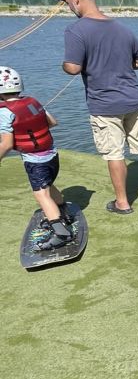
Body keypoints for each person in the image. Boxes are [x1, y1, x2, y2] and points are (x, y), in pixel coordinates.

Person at [59, 0, 138, 213]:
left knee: (114, 153)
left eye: (67, 3)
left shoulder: (75, 30)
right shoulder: (122, 28)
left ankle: (122, 203)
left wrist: (66, 65)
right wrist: (119, 64)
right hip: (133, 100)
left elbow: (72, 67)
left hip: (105, 104)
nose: (67, 7)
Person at [0, 66, 74, 250]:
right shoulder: (33, 101)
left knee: (41, 194)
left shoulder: (4, 112)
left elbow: (7, 143)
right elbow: (52, 122)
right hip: (52, 155)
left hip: (36, 160)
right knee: (47, 185)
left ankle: (61, 233)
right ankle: (63, 212)